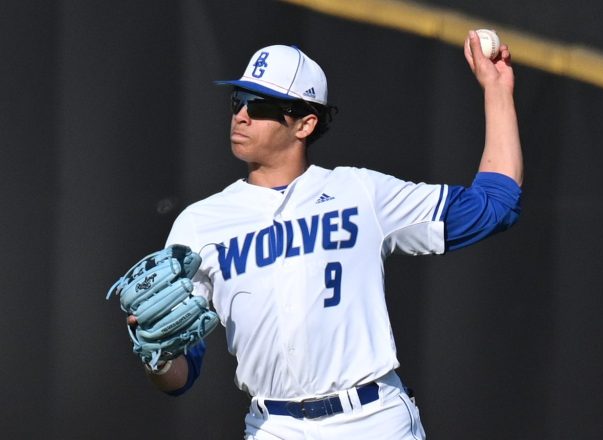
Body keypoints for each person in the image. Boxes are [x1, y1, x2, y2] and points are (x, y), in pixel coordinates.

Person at [131, 31, 522, 439]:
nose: (241, 115)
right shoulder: (199, 223)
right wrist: (155, 355)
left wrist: (496, 90)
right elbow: (180, 376)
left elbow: (495, 207)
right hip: (273, 425)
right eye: (238, 101)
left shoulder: (362, 193)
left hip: (373, 419)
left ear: (305, 123)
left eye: (259, 105)